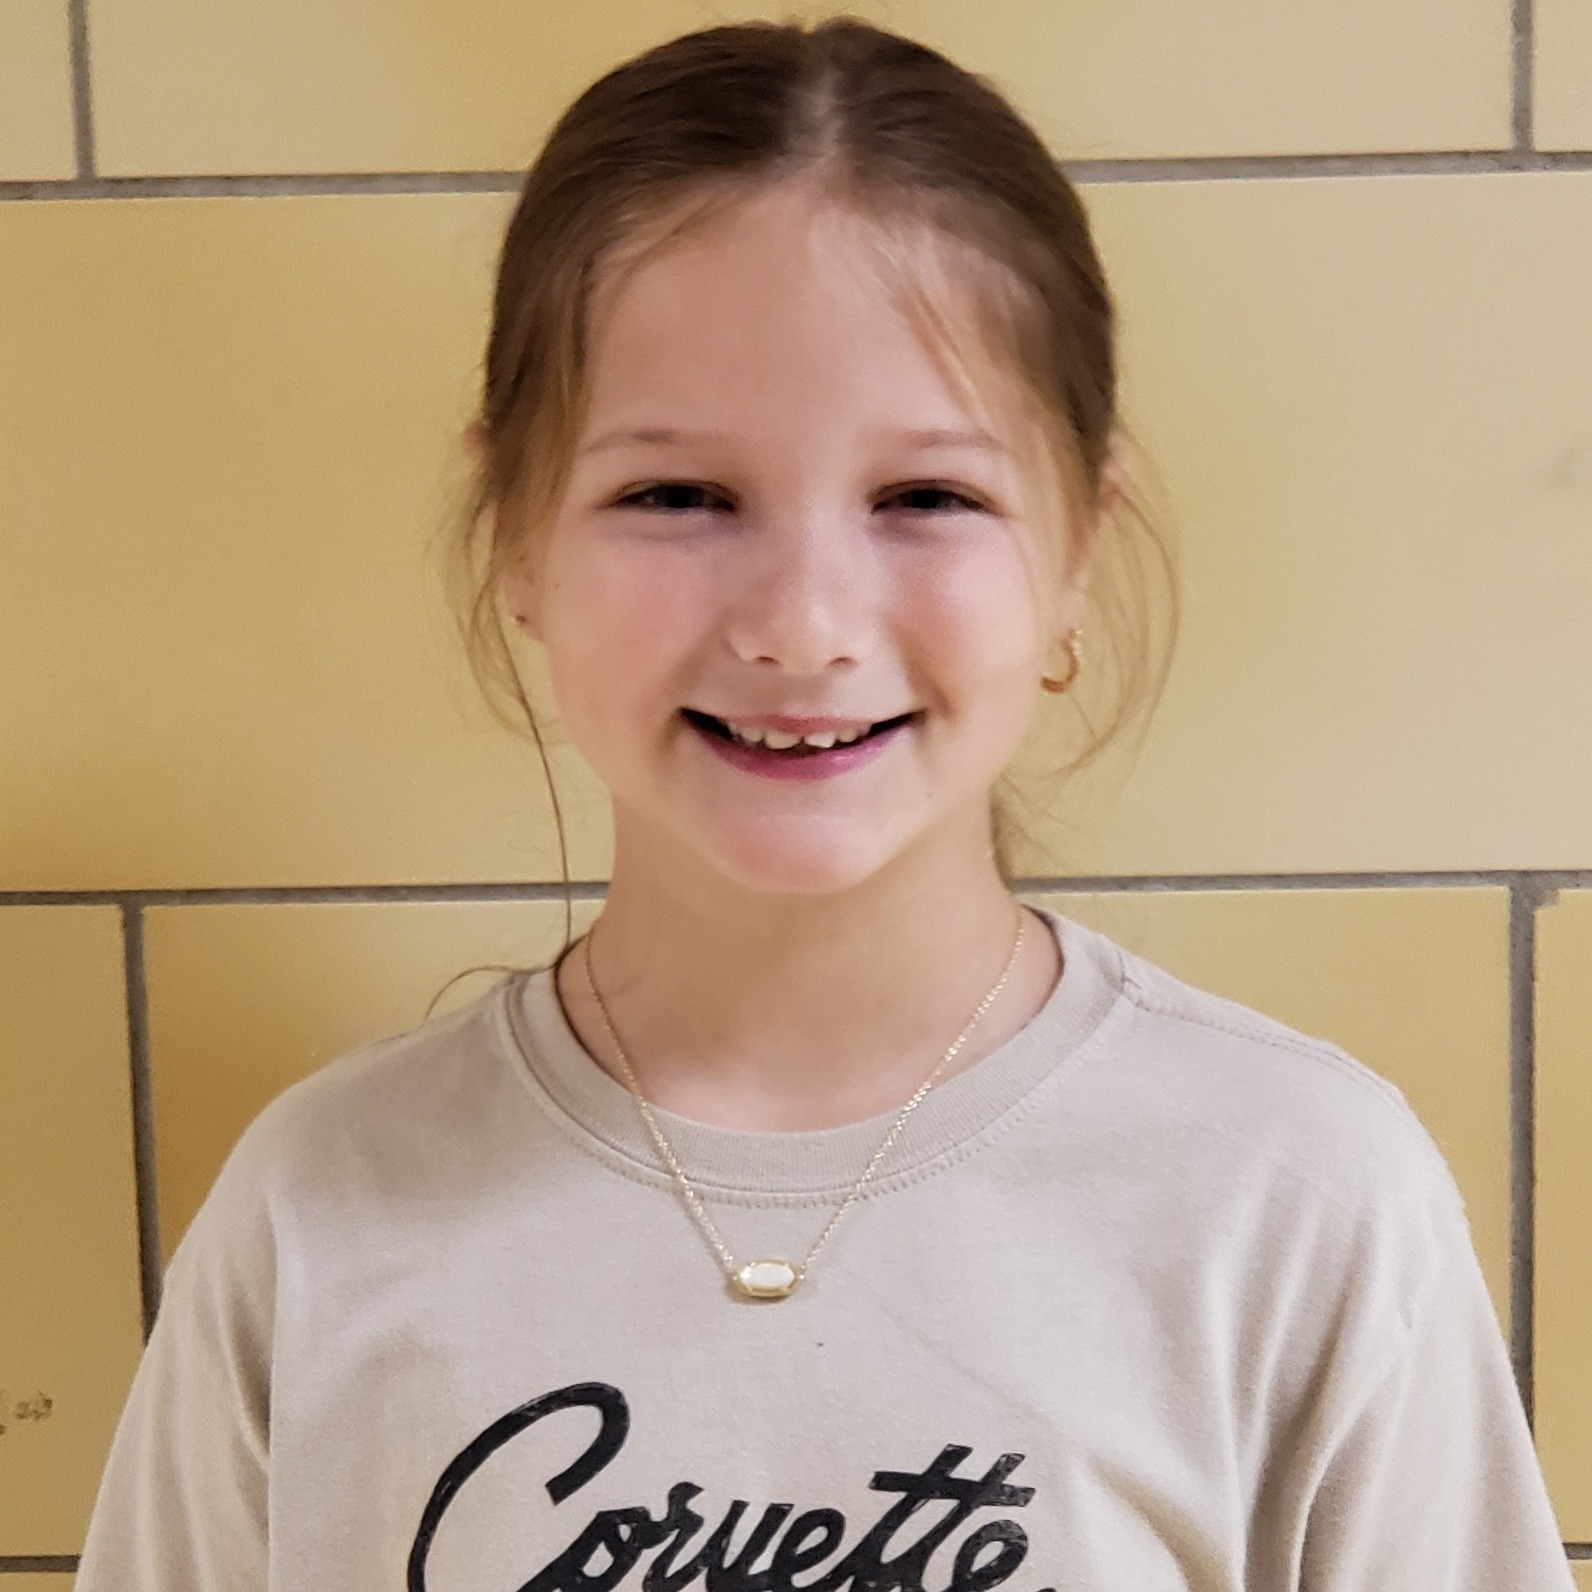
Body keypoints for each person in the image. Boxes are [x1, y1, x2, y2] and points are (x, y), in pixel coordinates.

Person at [76, 16, 1574, 1590]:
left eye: (926, 497)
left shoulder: (1297, 1199)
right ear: (517, 535)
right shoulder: (320, 1211)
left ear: (1075, 549)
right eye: (677, 496)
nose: (804, 623)